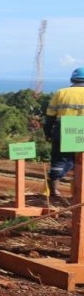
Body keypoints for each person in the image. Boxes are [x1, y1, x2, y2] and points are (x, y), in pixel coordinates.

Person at [44, 67, 84, 201]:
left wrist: (48, 133)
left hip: (64, 128)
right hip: (82, 128)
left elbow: (50, 116)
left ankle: (54, 190)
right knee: (81, 161)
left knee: (59, 160)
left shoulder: (61, 92)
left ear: (73, 79)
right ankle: (78, 193)